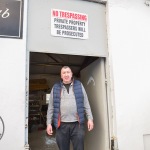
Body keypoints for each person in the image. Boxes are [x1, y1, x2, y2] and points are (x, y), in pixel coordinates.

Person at [46, 66, 94, 150]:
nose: (66, 74)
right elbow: (51, 107)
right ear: (61, 76)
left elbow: (86, 103)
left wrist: (90, 118)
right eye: (63, 73)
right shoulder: (56, 87)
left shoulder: (79, 85)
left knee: (79, 148)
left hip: (77, 124)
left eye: (68, 72)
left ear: (71, 74)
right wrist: (48, 123)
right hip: (61, 126)